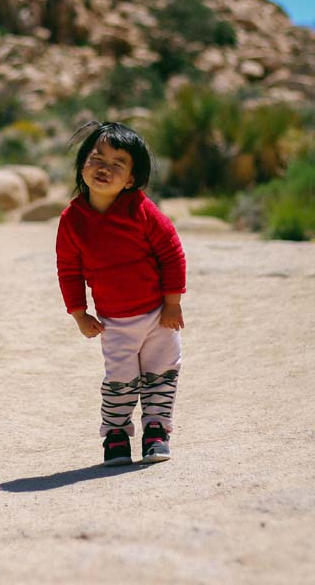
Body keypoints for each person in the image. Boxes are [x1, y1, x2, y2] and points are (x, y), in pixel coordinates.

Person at [55, 121, 186, 466]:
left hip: (159, 316)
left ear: (130, 179)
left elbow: (171, 252)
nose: (104, 168)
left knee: (161, 375)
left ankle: (156, 432)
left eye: (117, 164)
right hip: (114, 322)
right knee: (120, 381)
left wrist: (172, 303)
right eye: (97, 158)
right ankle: (115, 435)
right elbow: (68, 270)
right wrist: (79, 313)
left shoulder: (141, 211)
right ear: (82, 164)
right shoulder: (72, 220)